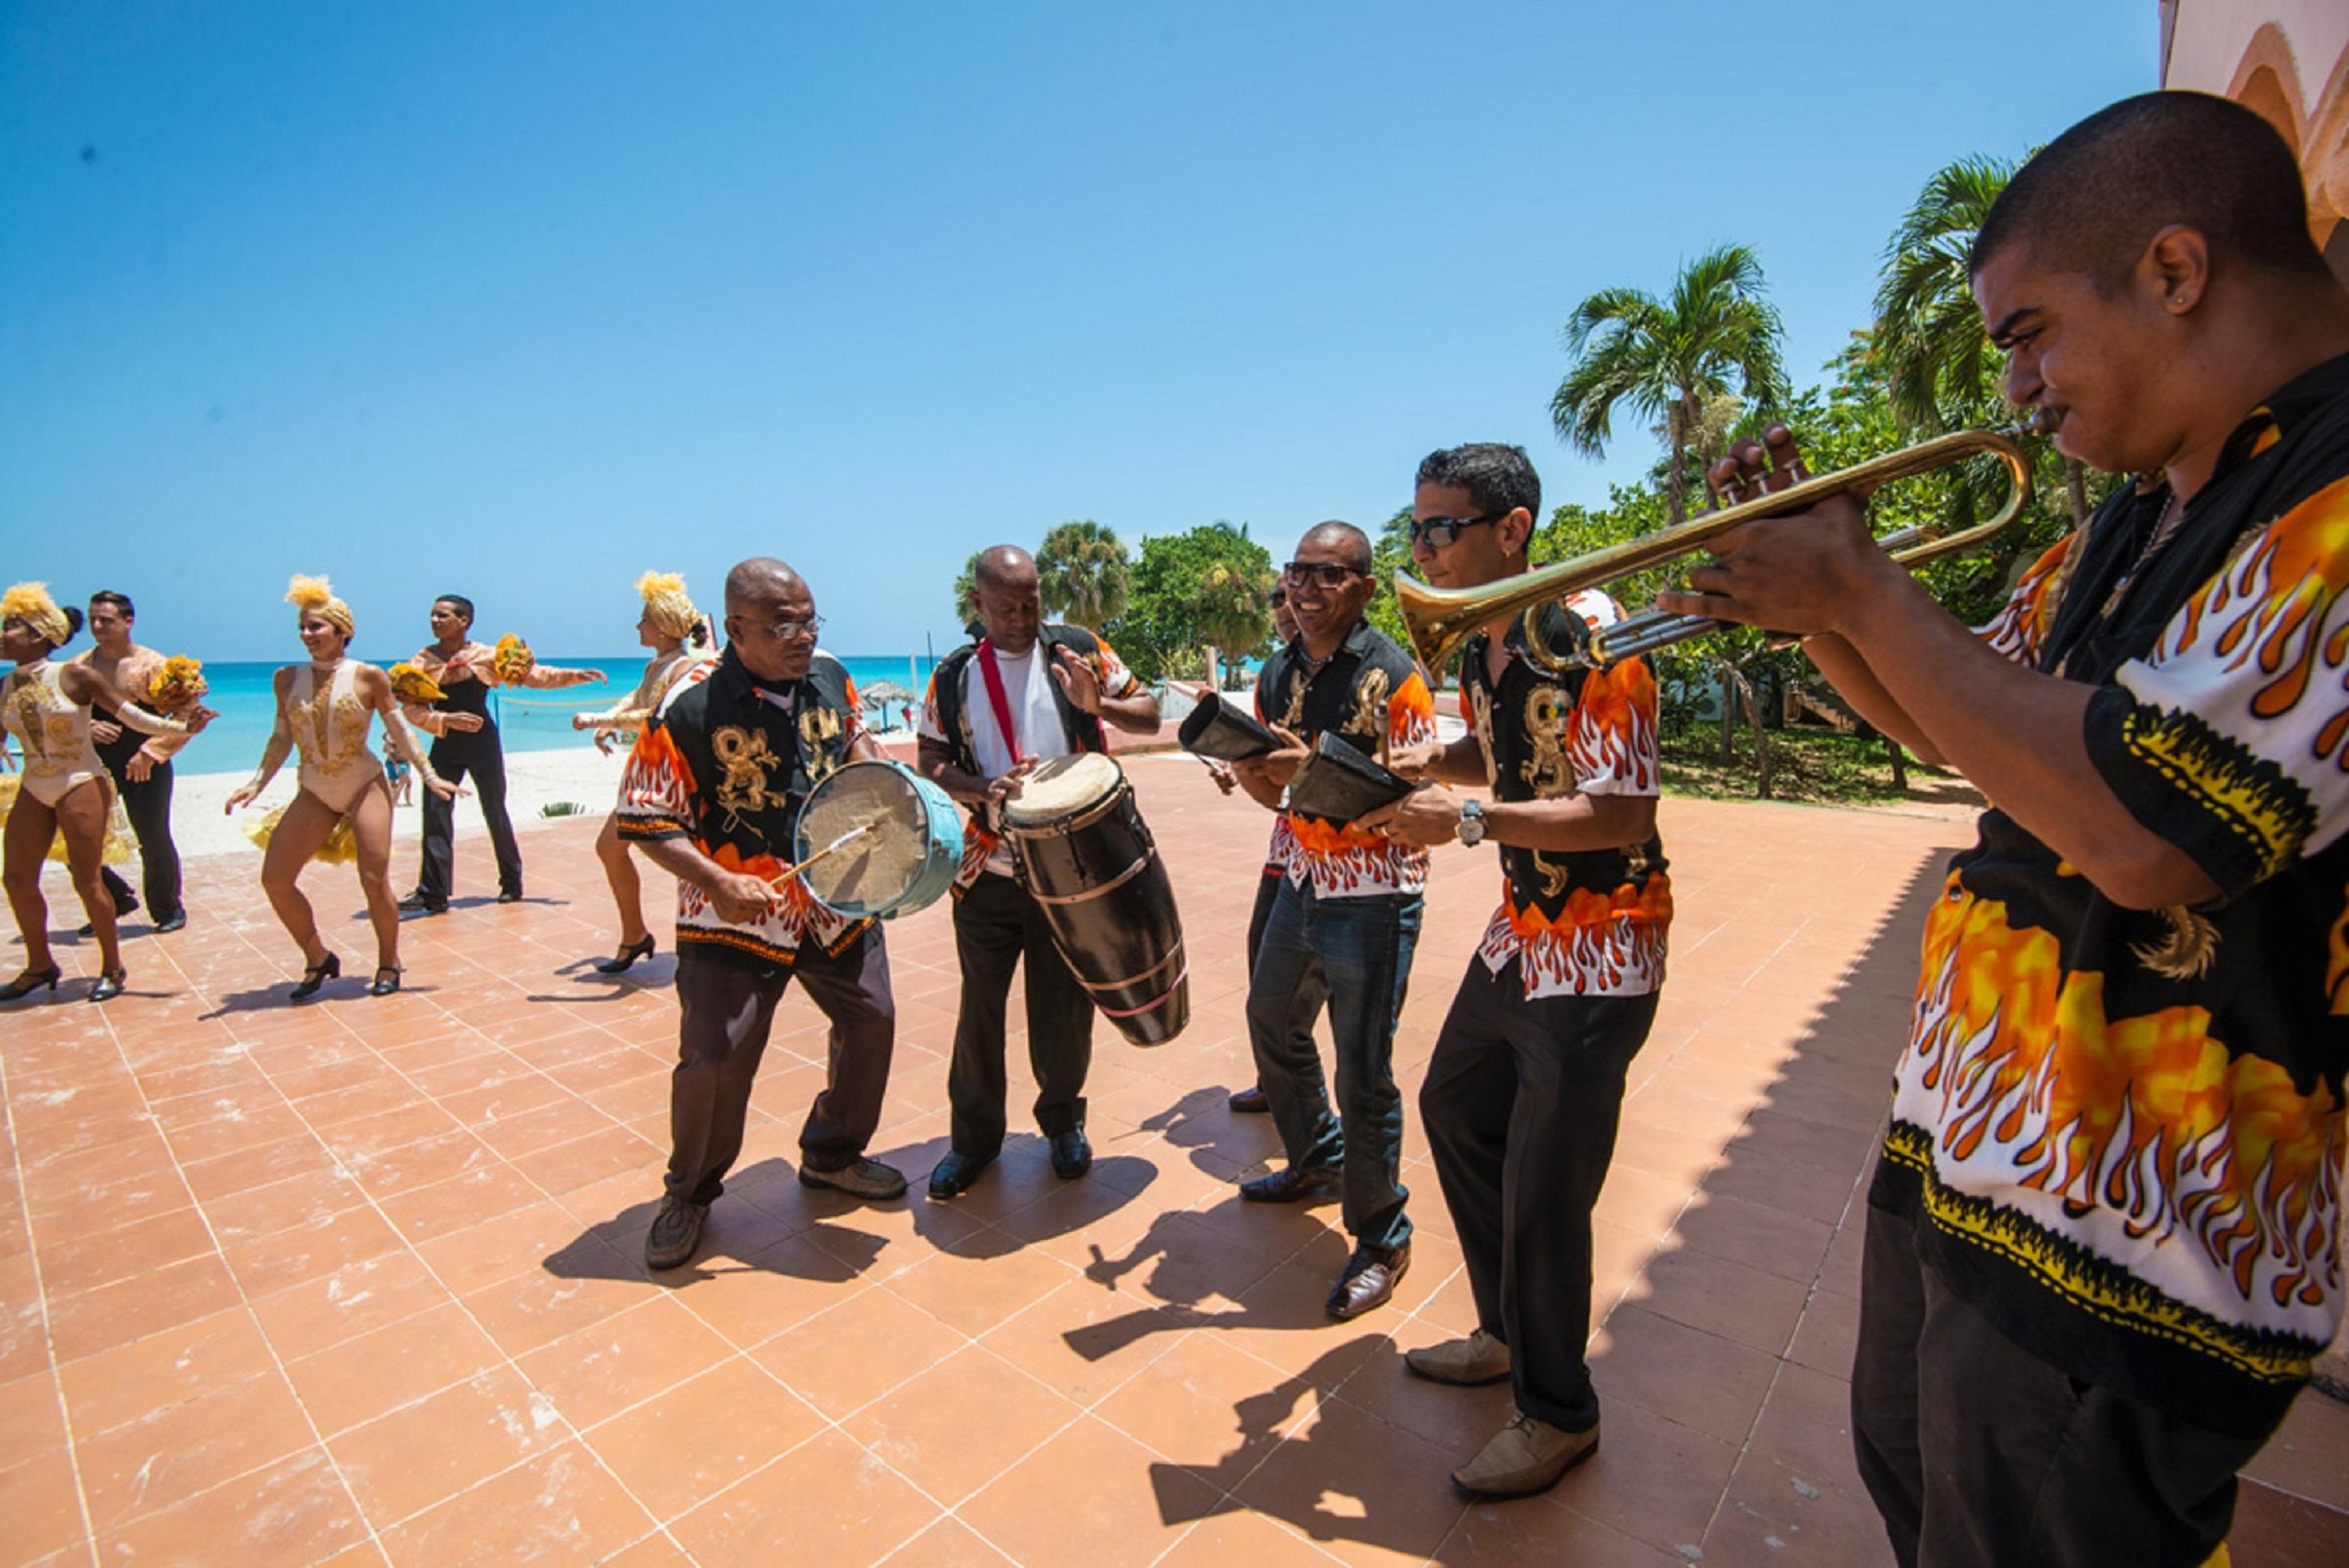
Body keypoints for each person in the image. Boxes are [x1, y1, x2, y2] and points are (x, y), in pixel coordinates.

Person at [1650, 92, 2349, 1565]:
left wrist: (1859, 592)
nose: (2020, 387)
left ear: (2174, 269)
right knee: (1926, 1497)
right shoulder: (2140, 506)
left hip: (2141, 1231)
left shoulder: (2332, 490)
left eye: (2029, 330)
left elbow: (2149, 833)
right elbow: (1967, 725)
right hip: (1980, 1146)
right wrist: (1824, 603)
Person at [1363, 443, 1669, 1498]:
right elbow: (1501, 752)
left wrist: (1468, 820)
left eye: (1442, 528)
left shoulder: (1587, 625)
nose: (1423, 549)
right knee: (1452, 1104)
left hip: (1601, 941)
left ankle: (1558, 1413)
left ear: (1514, 529)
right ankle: (1506, 1331)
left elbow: (1623, 810)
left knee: (1545, 1186)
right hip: (1525, 930)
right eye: (1416, 528)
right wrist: (1427, 766)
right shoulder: (1470, 643)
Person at [617, 557, 907, 1271]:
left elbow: (852, 740)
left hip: (834, 898)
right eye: (784, 625)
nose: (803, 636)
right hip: (734, 911)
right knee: (715, 1058)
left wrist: (875, 770)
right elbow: (644, 816)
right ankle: (688, 1193)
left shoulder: (831, 677)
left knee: (872, 1021)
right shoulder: (687, 705)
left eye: (810, 620)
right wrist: (716, 879)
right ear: (737, 629)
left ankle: (832, 1154)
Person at [1230, 522, 1436, 1319]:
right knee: (1269, 1018)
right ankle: (1315, 1157)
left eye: (1326, 575)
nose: (1304, 589)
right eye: (1296, 573)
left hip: (1376, 887)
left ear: (1362, 589)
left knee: (1363, 1067)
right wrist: (1253, 771)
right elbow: (1271, 797)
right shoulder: (1277, 669)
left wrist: (1309, 773)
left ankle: (1382, 1232)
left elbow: (1414, 802)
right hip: (1303, 874)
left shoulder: (1394, 678)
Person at [915, 545, 1161, 1199]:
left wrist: (1098, 703)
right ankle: (972, 1143)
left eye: (1031, 604)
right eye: (1006, 607)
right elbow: (930, 760)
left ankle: (1062, 1124)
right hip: (987, 871)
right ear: (978, 604)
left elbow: (1152, 713)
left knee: (1063, 1010)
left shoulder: (1078, 648)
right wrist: (983, 787)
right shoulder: (953, 675)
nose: (1023, 618)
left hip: (1071, 875)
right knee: (980, 1013)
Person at [225, 578, 458, 999]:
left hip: (363, 785)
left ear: (341, 631)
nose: (307, 635)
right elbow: (280, 737)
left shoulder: (368, 676)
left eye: (316, 627)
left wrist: (428, 774)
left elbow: (399, 729)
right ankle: (317, 955)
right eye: (303, 627)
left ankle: (389, 961)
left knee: (373, 878)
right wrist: (255, 784)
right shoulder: (285, 679)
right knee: (276, 879)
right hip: (314, 789)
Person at [1, 583, 211, 1002]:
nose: (2, 633)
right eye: (93, 619)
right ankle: (40, 964)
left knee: (117, 859)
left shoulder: (88, 672)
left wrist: (176, 733)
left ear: (41, 634)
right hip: (38, 782)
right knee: (17, 877)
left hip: (88, 777)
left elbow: (134, 714)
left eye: (11, 626)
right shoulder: (10, 683)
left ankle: (121, 959)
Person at [396, 593, 603, 912]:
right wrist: (443, 719)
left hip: (483, 742)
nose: (434, 621)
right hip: (446, 743)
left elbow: (536, 676)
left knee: (495, 810)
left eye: (443, 616)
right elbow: (411, 708)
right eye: (433, 615)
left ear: (463, 621)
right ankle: (432, 892)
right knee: (435, 813)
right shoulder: (421, 661)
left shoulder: (488, 655)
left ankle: (511, 883)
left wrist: (576, 676)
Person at [569, 571, 714, 974]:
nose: (638, 626)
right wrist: (610, 720)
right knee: (614, 848)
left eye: (645, 620)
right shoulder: (659, 666)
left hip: (665, 778)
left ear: (664, 626)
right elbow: (636, 699)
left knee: (675, 857)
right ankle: (635, 934)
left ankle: (682, 935)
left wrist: (599, 718)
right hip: (645, 773)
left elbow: (656, 713)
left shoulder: (682, 669)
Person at [1227, 582, 1319, 1117]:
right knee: (1263, 959)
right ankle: (1276, 1077)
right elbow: (1265, 755)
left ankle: (1299, 1096)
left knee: (1317, 986)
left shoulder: (1353, 667)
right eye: (1275, 600)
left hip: (1344, 855)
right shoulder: (1274, 674)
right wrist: (1239, 763)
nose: (1284, 609)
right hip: (1288, 842)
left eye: (1291, 596)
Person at [76, 591, 190, 934]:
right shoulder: (80, 666)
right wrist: (88, 726)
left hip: (144, 758)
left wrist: (152, 751)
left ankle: (168, 907)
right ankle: (112, 899)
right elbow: (61, 713)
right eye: (93, 619)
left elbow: (187, 713)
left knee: (152, 835)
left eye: (106, 620)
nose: (97, 626)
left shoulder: (154, 666)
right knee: (76, 836)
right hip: (95, 760)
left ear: (129, 622)